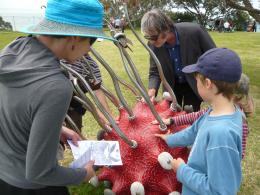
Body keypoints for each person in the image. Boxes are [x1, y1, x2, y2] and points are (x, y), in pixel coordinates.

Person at [0, 0, 114, 194]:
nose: (89, 50)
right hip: (33, 188)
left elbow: (13, 108)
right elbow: (39, 172)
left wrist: (57, 128)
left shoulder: (13, 51)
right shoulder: (56, 85)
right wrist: (83, 174)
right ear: (76, 38)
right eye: (91, 41)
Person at [155, 48, 243, 195]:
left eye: (196, 80)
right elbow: (193, 132)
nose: (196, 84)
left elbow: (220, 191)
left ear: (208, 83)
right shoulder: (217, 111)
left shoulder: (221, 135)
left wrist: (182, 170)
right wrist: (170, 139)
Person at [153, 73, 254, 159]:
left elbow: (239, 154)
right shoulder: (216, 109)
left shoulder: (240, 123)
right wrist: (172, 120)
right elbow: (195, 116)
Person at [141, 9, 216, 111]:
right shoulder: (152, 45)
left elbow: (214, 57)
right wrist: (152, 90)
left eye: (153, 37)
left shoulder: (195, 32)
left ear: (165, 28)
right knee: (171, 119)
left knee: (191, 117)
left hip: (193, 84)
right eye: (148, 37)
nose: (151, 41)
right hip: (171, 88)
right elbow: (155, 70)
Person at [61, 54, 114, 131]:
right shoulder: (59, 55)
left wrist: (109, 116)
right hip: (55, 99)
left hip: (74, 105)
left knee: (74, 132)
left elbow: (98, 90)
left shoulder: (91, 65)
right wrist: (97, 113)